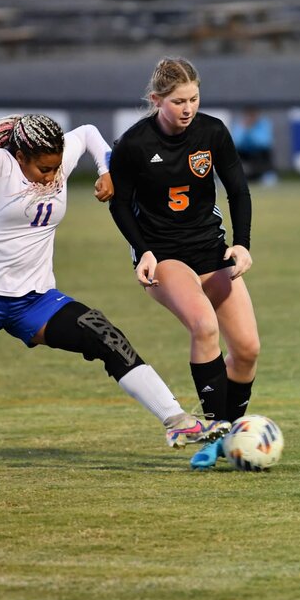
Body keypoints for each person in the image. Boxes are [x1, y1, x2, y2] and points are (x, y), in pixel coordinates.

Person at [0, 103, 230, 451]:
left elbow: (87, 132)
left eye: (57, 170)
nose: (51, 178)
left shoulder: (56, 158)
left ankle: (176, 421)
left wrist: (106, 169)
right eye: (43, 169)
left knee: (106, 337)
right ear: (22, 155)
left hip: (36, 302)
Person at [109, 57, 260, 469]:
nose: (188, 108)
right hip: (164, 254)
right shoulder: (135, 144)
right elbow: (119, 203)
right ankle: (212, 432)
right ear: (157, 100)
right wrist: (143, 251)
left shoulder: (212, 132)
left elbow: (238, 191)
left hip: (210, 249)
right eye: (178, 101)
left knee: (247, 350)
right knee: (204, 325)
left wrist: (242, 244)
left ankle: (228, 433)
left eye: (193, 98)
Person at [231, 107, 277, 185]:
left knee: (266, 153)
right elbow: (236, 143)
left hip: (259, 154)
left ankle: (268, 176)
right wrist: (244, 130)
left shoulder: (264, 124)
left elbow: (265, 143)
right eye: (248, 115)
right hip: (244, 154)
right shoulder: (240, 125)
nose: (250, 118)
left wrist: (250, 131)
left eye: (252, 115)